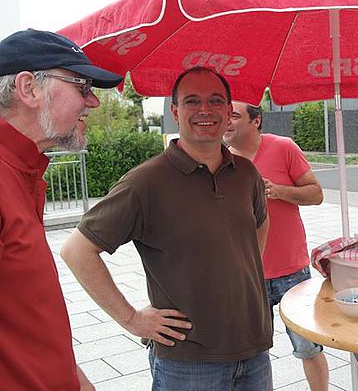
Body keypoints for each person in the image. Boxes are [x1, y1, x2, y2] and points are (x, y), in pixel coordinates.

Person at [60, 67, 273, 390]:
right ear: (175, 111)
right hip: (187, 361)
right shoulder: (146, 181)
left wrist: (244, 276)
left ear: (229, 110)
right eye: (192, 101)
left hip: (254, 349)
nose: (205, 110)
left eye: (216, 101)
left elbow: (260, 221)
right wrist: (131, 319)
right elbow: (77, 250)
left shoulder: (245, 173)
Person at [0, 29, 123, 390]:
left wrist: (75, 377)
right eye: (82, 87)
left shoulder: (22, 171)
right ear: (29, 89)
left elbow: (23, 314)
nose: (93, 102)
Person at [224, 101, 329, 390]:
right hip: (247, 274)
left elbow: (316, 194)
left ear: (255, 121)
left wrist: (278, 190)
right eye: (225, 116)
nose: (226, 121)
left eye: (234, 115)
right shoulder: (220, 159)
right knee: (252, 354)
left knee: (308, 347)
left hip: (291, 271)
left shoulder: (283, 147)